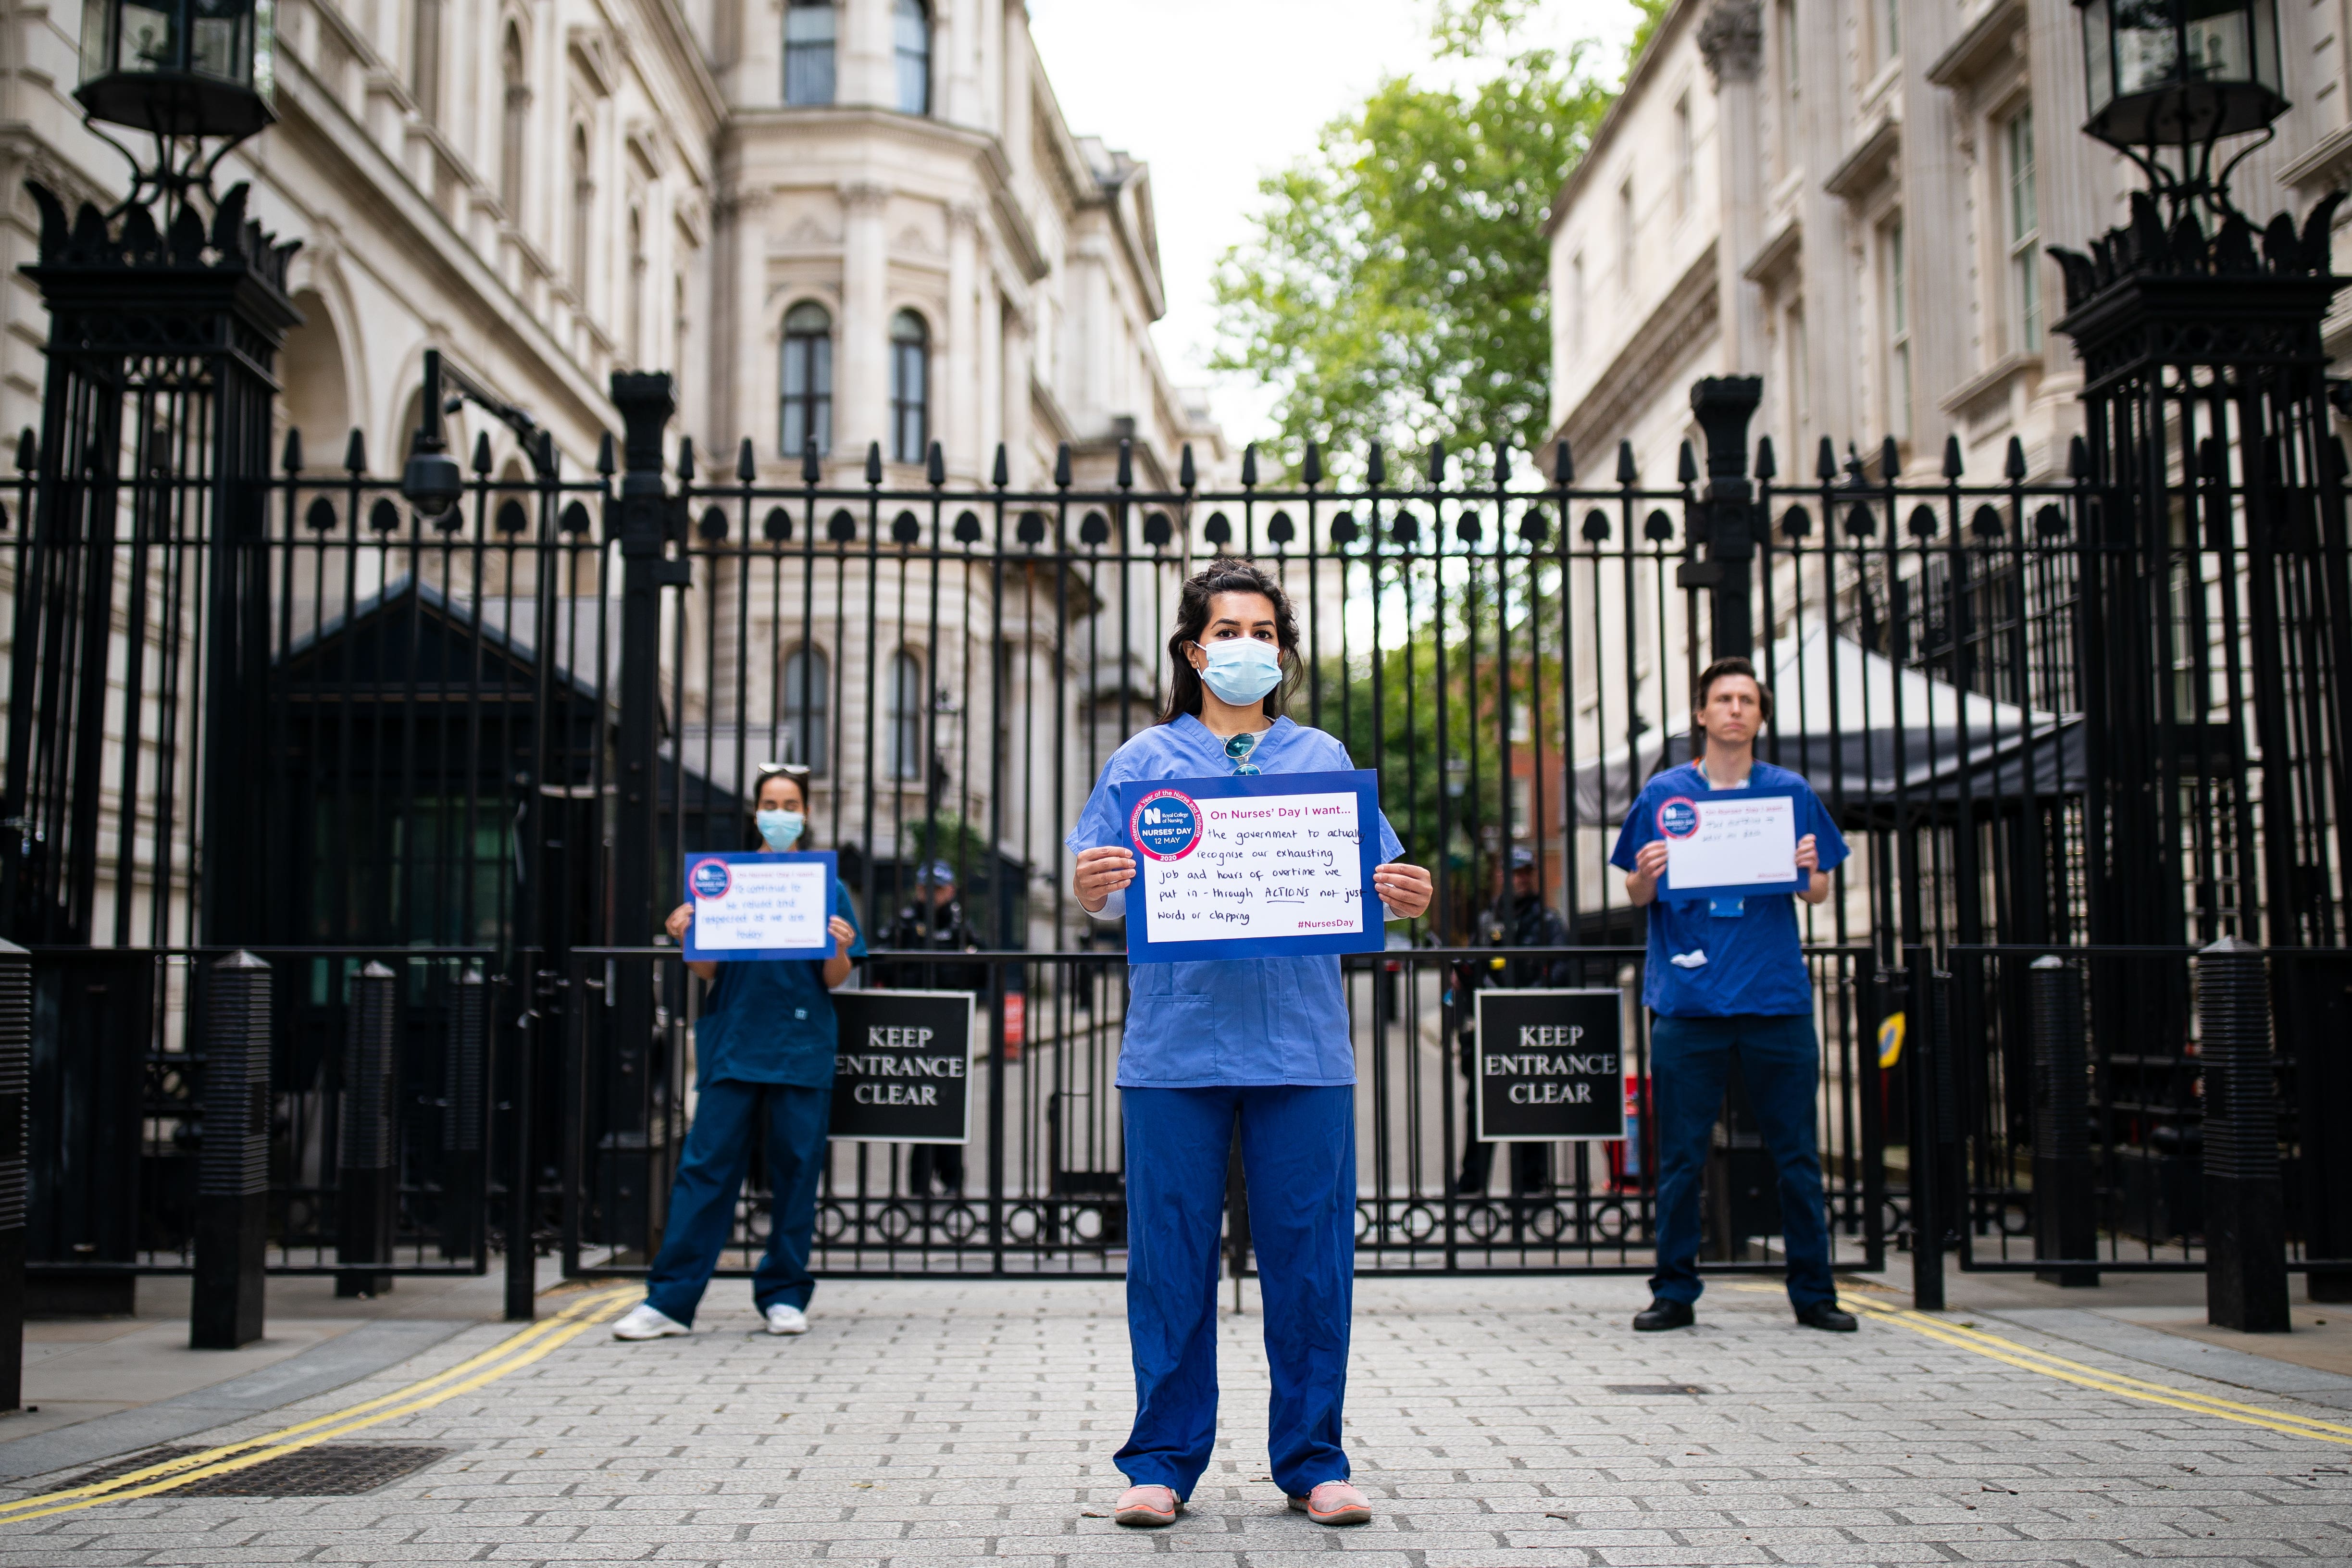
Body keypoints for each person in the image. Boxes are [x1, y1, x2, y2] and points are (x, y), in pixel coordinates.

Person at [1068, 558, 1433, 1531]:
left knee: (1310, 1260)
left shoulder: (1321, 758)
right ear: (1195, 651)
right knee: (1170, 1259)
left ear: (1283, 649)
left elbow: (1381, 876)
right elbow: (1093, 885)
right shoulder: (1141, 762)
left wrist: (1407, 890)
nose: (1246, 646)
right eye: (1227, 631)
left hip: (1302, 1049)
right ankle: (1159, 1459)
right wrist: (1091, 880)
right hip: (1173, 1050)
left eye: (1263, 631)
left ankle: (1313, 1459)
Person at [1609, 657, 1858, 1334]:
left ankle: (1814, 1291)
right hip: (1688, 1003)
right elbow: (1633, 890)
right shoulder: (1664, 793)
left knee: (1798, 1155)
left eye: (1747, 699)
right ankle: (1675, 1289)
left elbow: (1816, 890)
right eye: (1723, 698)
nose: (1735, 709)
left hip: (1774, 998)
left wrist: (1810, 871)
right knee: (1681, 1158)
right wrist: (1648, 874)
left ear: (1759, 715)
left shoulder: (1788, 792)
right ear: (1701, 713)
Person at [610, 762, 866, 1341]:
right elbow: (708, 969)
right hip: (735, 1042)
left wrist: (838, 944)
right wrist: (687, 935)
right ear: (756, 811)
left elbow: (833, 977)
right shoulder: (722, 879)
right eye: (771, 804)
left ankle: (783, 1293)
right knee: (705, 1170)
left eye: (790, 804)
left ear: (806, 811)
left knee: (797, 1172)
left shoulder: (829, 886)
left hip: (801, 1042)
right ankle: (670, 1301)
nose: (780, 814)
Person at [1453, 845, 1571, 1197]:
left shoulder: (1548, 921)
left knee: (1530, 1108)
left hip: (1531, 1029)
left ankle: (1531, 1188)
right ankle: (1472, 1185)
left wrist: (1525, 999)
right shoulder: (1488, 919)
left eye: (1524, 873)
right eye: (1512, 873)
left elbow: (1563, 969)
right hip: (1490, 1028)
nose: (1519, 880)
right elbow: (1473, 966)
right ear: (1500, 876)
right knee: (1480, 1107)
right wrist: (1463, 973)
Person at [887, 860, 983, 1196]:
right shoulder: (903, 924)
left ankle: (953, 1180)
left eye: (938, 889)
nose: (931, 895)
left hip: (951, 1026)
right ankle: (919, 1182)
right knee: (919, 1105)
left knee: (949, 1105)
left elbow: (981, 972)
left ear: (950, 890)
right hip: (912, 1023)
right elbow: (884, 967)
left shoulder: (961, 927)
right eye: (925, 888)